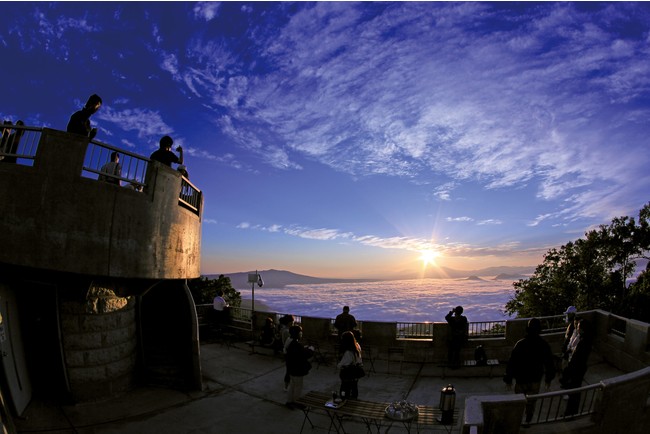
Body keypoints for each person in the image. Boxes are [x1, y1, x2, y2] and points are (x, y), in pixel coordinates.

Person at [503, 318, 556, 423]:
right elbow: (549, 363)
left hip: (521, 379)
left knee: (519, 402)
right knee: (531, 402)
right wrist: (548, 379)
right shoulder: (543, 344)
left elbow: (512, 362)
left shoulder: (520, 344)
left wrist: (508, 379)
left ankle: (517, 421)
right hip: (535, 379)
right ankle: (528, 420)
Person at [560, 318, 592, 416]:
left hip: (577, 369)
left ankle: (570, 413)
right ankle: (572, 412)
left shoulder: (583, 342)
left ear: (582, 329)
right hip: (580, 368)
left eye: (578, 327)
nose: (577, 328)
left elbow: (577, 358)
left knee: (574, 392)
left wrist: (569, 369)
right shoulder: (586, 340)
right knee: (575, 391)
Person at [284, 325, 313, 409]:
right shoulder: (296, 345)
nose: (301, 334)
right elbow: (304, 355)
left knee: (292, 385)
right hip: (297, 369)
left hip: (291, 368)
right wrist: (311, 350)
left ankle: (289, 401)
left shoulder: (290, 343)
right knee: (298, 386)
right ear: (297, 334)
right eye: (300, 333)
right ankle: (297, 401)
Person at [337, 330, 364, 400]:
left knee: (345, 391)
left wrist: (339, 365)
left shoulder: (349, 352)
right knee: (354, 389)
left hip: (348, 373)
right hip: (355, 373)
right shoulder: (357, 346)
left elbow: (343, 363)